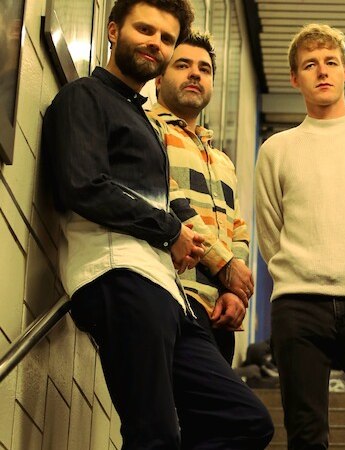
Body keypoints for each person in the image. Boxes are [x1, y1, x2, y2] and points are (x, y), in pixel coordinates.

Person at [41, 0, 273, 447]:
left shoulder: (142, 122)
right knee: (155, 434)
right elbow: (82, 186)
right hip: (119, 275)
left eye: (166, 38)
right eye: (145, 30)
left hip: (168, 291)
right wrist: (170, 230)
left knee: (247, 421)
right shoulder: (84, 96)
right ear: (113, 30)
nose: (156, 43)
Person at [255, 23, 345, 450]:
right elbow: (270, 231)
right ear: (294, 78)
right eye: (310, 65)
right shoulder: (276, 148)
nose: (322, 71)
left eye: (331, 62)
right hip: (298, 304)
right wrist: (298, 271)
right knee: (306, 435)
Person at [149, 32, 252, 365]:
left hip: (218, 311)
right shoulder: (148, 129)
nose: (195, 74)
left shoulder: (222, 160)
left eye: (204, 69)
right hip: (173, 294)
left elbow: (239, 228)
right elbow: (171, 202)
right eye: (183, 65)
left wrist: (234, 291)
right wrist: (226, 266)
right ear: (159, 78)